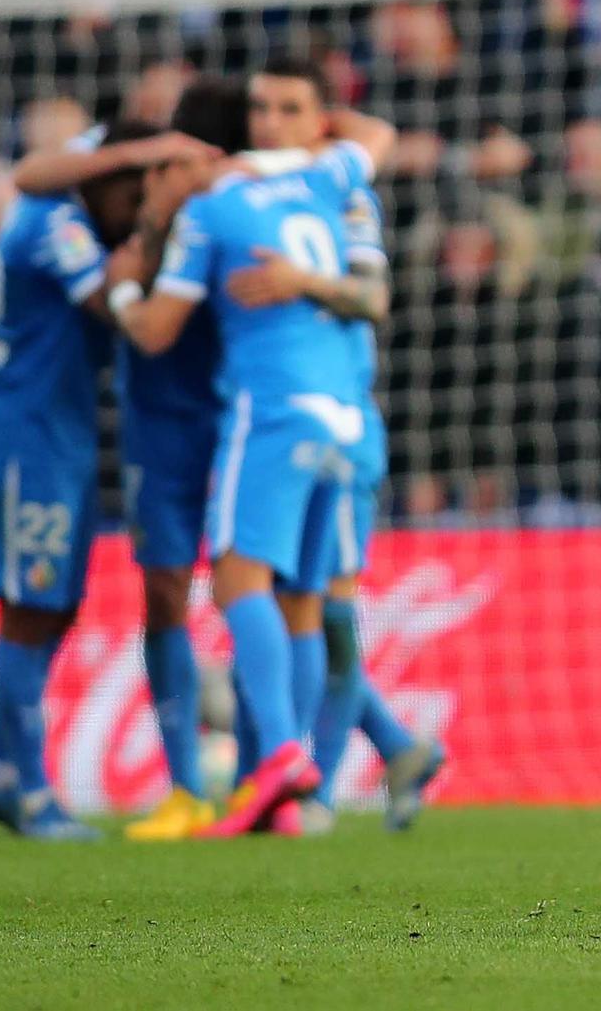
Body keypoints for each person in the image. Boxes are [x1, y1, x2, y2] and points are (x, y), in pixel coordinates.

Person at [105, 72, 395, 838]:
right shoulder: (327, 179)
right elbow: (377, 138)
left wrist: (123, 293)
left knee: (237, 575)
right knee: (302, 600)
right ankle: (294, 799)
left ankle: (280, 759)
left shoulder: (212, 208)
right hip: (343, 415)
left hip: (271, 410)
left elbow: (159, 329)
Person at [213, 59, 443, 833]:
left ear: (321, 123)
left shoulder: (343, 196)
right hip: (291, 416)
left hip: (343, 422)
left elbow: (372, 296)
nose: (269, 122)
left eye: (290, 109)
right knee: (296, 606)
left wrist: (303, 280)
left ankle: (317, 788)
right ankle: (385, 748)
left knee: (325, 612)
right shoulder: (248, 197)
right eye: (260, 108)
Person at [7, 113, 227, 842]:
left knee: (272, 595)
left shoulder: (223, 207)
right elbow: (31, 175)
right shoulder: (113, 236)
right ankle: (187, 788)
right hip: (153, 434)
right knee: (163, 596)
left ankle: (278, 772)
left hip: (235, 421)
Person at [0, 120, 174, 840]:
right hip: (25, 439)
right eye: (134, 197)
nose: (137, 212)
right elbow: (110, 297)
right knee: (28, 608)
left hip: (60, 437)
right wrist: (162, 233)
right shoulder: (57, 226)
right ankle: (33, 795)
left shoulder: (66, 216)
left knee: (55, 606)